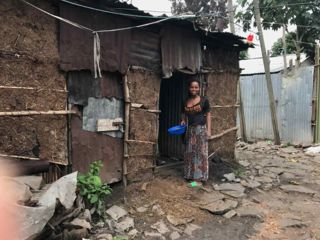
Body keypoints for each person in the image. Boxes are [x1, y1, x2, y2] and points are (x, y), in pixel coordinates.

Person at [181, 79, 211, 186]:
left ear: (199, 88)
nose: (194, 89)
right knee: (190, 153)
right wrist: (183, 120)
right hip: (190, 130)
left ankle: (198, 180)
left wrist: (208, 130)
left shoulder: (204, 100)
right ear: (189, 88)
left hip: (201, 129)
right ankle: (190, 176)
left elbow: (208, 115)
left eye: (196, 87)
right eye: (192, 87)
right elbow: (183, 113)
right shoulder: (185, 101)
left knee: (200, 154)